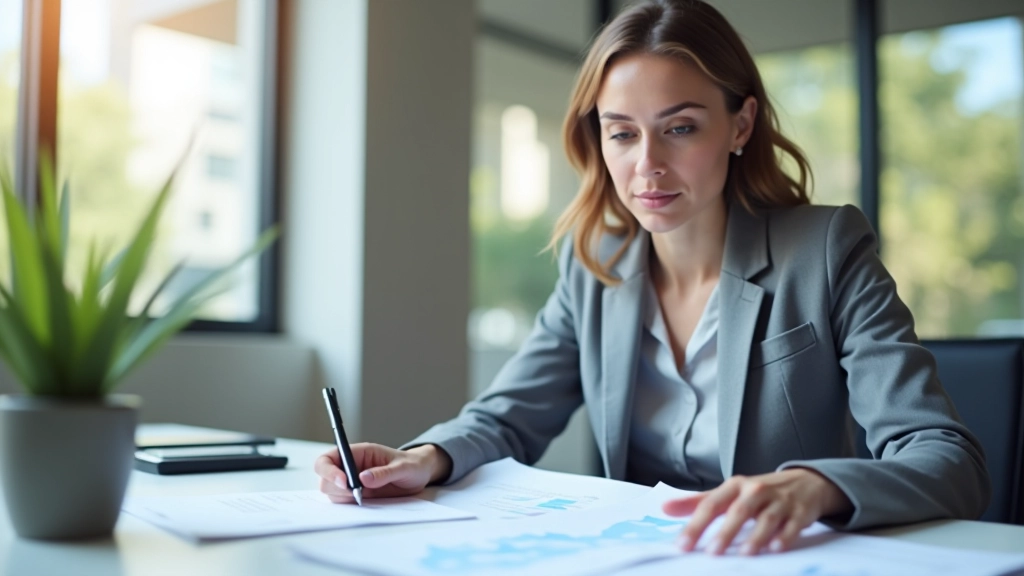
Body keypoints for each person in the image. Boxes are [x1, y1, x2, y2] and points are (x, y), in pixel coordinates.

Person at [314, 0, 990, 556]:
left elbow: (947, 459)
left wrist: (819, 486)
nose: (648, 168)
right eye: (622, 134)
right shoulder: (594, 266)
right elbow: (506, 419)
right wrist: (424, 457)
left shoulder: (826, 249)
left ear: (740, 124)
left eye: (681, 128)